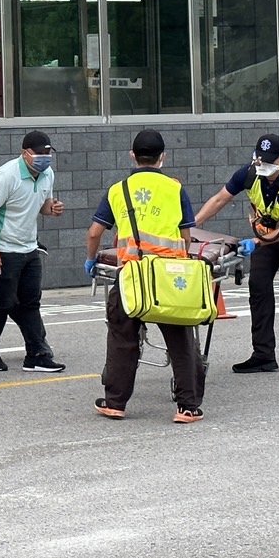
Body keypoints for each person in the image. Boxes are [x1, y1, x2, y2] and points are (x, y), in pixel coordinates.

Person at [84, 130, 205, 423]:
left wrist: (91, 260)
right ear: (163, 157)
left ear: (132, 156)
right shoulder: (176, 189)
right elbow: (187, 237)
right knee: (180, 341)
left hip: (131, 276)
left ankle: (115, 402)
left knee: (122, 338)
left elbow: (94, 233)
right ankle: (187, 407)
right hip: (167, 277)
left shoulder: (118, 190)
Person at [192, 132, 279, 373]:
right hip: (265, 236)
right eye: (259, 160)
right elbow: (220, 199)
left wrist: (256, 243)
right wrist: (191, 225)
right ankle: (263, 355)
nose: (263, 165)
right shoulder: (249, 173)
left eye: (269, 161)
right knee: (258, 289)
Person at [0, 130, 66, 373]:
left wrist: (52, 209)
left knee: (31, 302)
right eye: (39, 153)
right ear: (25, 154)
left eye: (48, 153)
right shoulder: (6, 175)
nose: (45, 158)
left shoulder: (47, 174)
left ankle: (36, 354)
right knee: (4, 302)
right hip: (3, 248)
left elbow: (43, 206)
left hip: (29, 246)